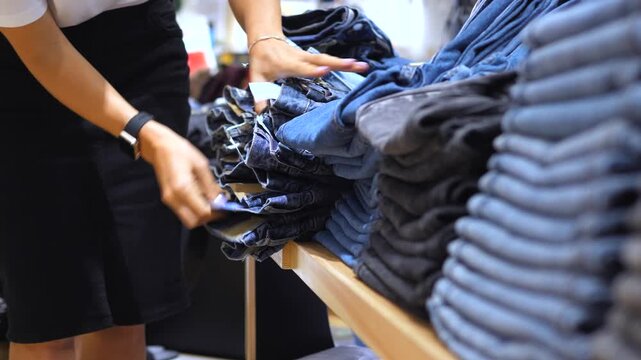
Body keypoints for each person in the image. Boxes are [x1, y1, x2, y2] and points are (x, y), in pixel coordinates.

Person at [0, 0, 368, 359]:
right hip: (30, 71)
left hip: (144, 55)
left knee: (128, 308)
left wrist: (266, 37)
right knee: (45, 318)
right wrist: (147, 136)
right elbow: (43, 51)